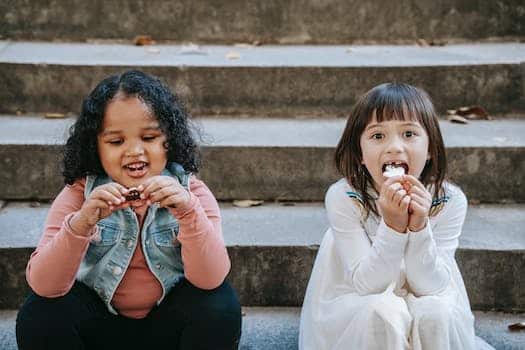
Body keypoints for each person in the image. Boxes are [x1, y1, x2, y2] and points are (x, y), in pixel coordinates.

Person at [16, 70, 242, 350]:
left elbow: (211, 278)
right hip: (99, 330)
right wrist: (81, 223)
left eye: (148, 138)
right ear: (95, 147)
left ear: (168, 141)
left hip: (167, 331)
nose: (134, 151)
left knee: (220, 304)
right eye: (116, 141)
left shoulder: (191, 193)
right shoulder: (79, 193)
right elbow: (43, 284)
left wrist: (188, 213)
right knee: (39, 312)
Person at [299, 83, 479, 349]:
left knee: (436, 314)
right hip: (359, 293)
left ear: (430, 148)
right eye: (377, 136)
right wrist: (393, 227)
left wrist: (418, 227)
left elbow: (430, 286)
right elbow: (366, 285)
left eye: (409, 133)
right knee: (382, 312)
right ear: (360, 153)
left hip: (428, 286)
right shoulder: (344, 197)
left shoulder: (448, 201)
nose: (395, 147)